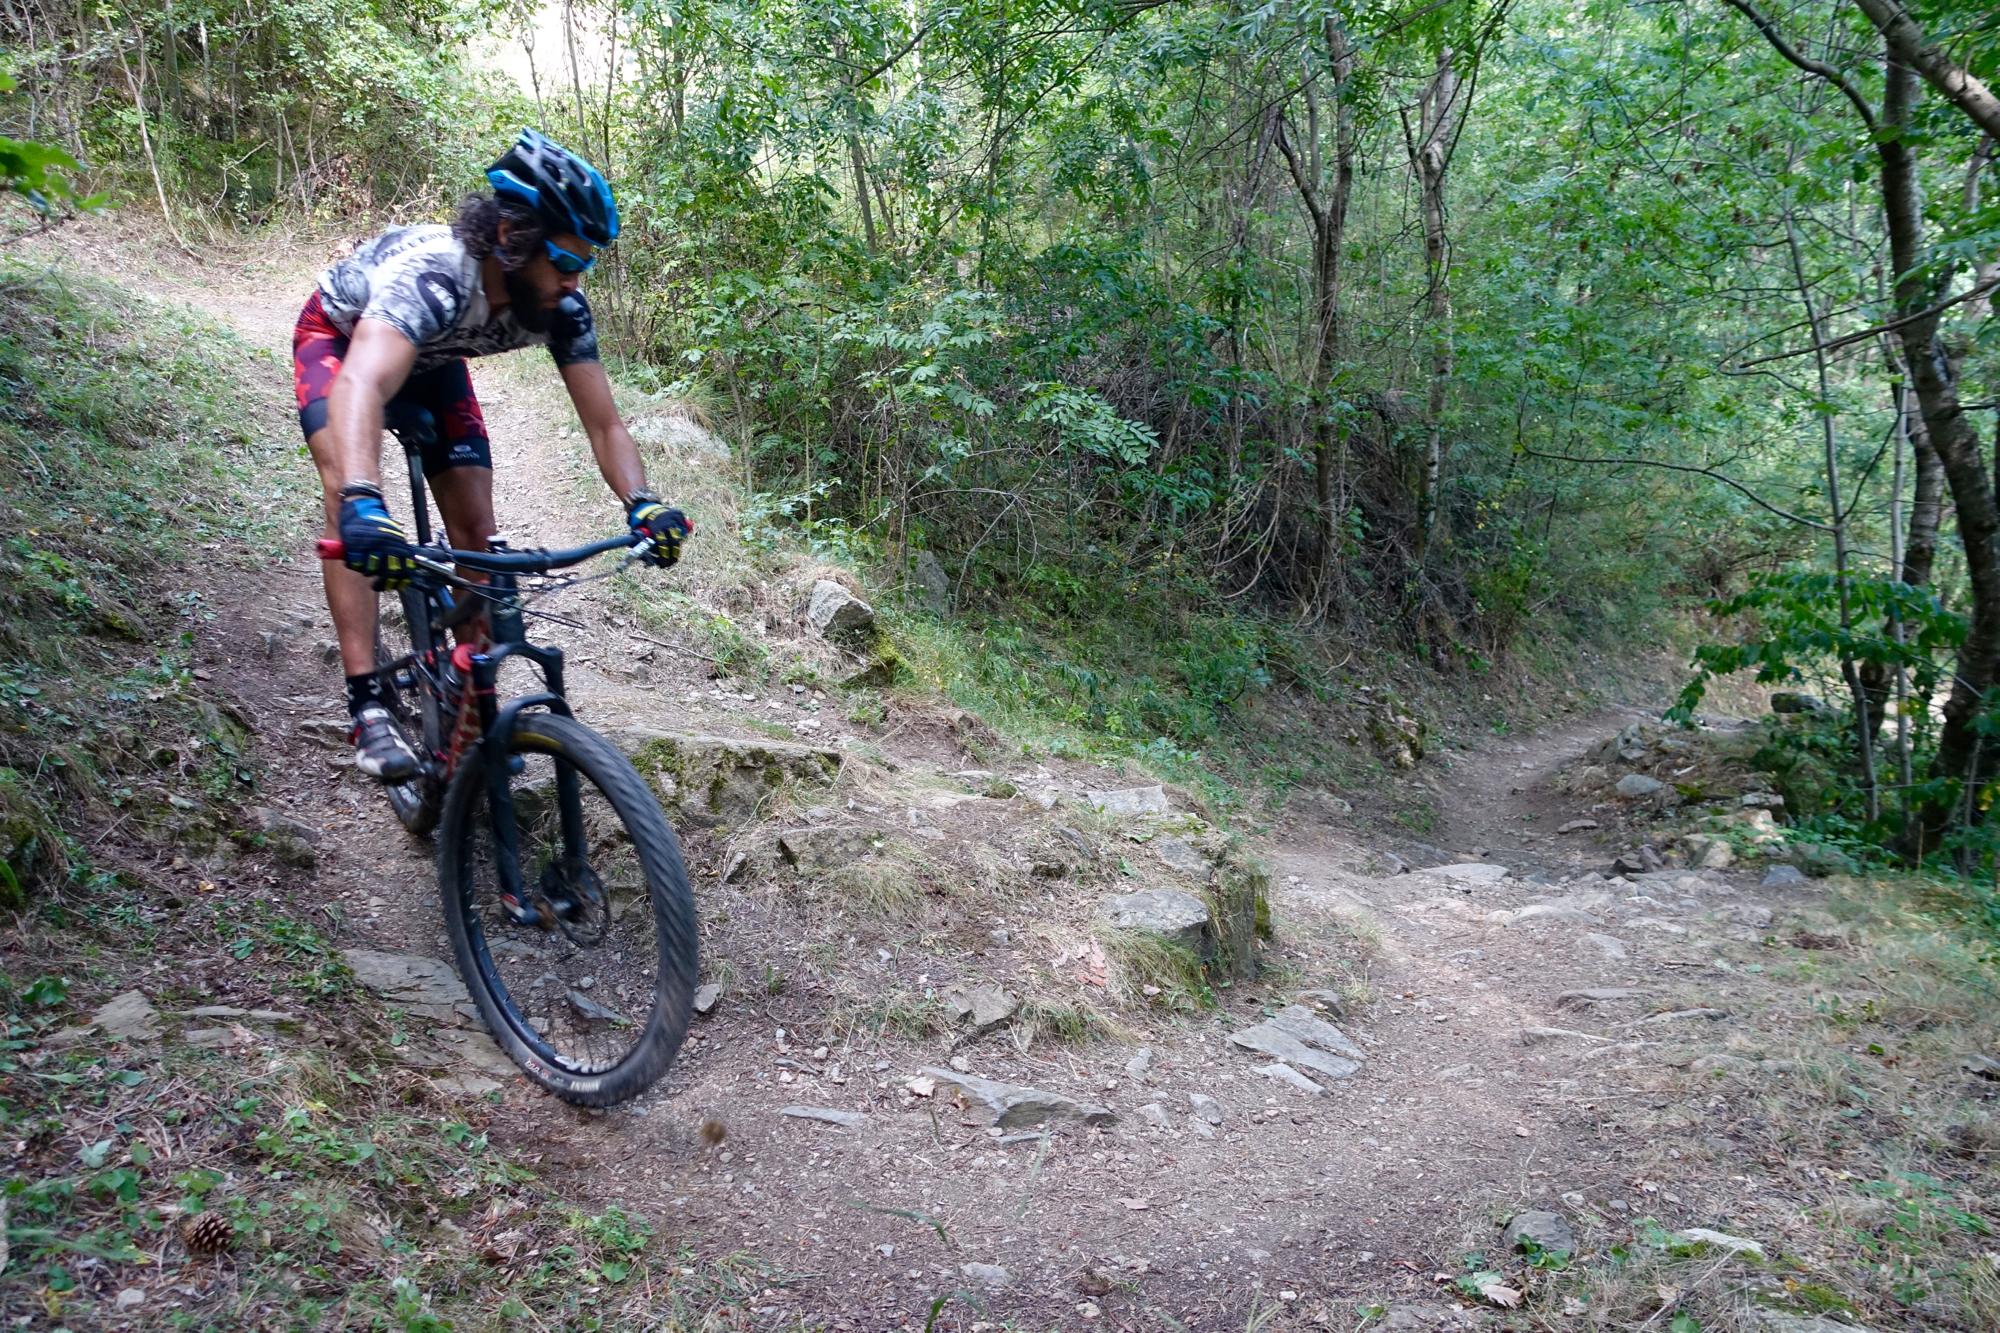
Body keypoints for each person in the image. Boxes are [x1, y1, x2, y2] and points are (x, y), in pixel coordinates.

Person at [292, 129, 690, 780]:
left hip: (433, 359)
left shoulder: (560, 307)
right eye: (564, 260)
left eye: (583, 265)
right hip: (342, 340)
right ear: (511, 239)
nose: (573, 280)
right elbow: (362, 381)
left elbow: (605, 424)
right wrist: (365, 496)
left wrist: (642, 503)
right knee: (347, 498)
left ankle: (470, 704)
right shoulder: (434, 277)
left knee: (477, 530)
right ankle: (366, 701)